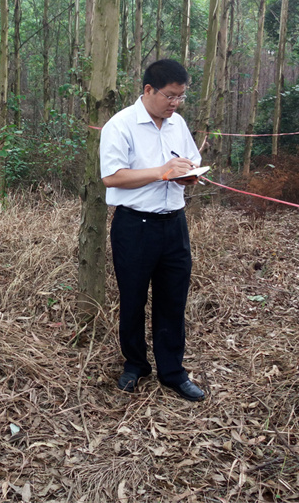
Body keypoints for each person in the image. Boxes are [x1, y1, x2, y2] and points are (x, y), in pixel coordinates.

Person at [100, 59, 205, 402]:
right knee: (132, 299)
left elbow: (188, 160)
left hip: (174, 224)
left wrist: (189, 172)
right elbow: (112, 177)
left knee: (173, 300)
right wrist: (161, 171)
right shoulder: (121, 126)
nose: (175, 103)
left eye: (181, 97)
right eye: (170, 96)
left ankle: (172, 372)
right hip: (135, 225)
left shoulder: (178, 124)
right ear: (148, 90)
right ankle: (135, 365)